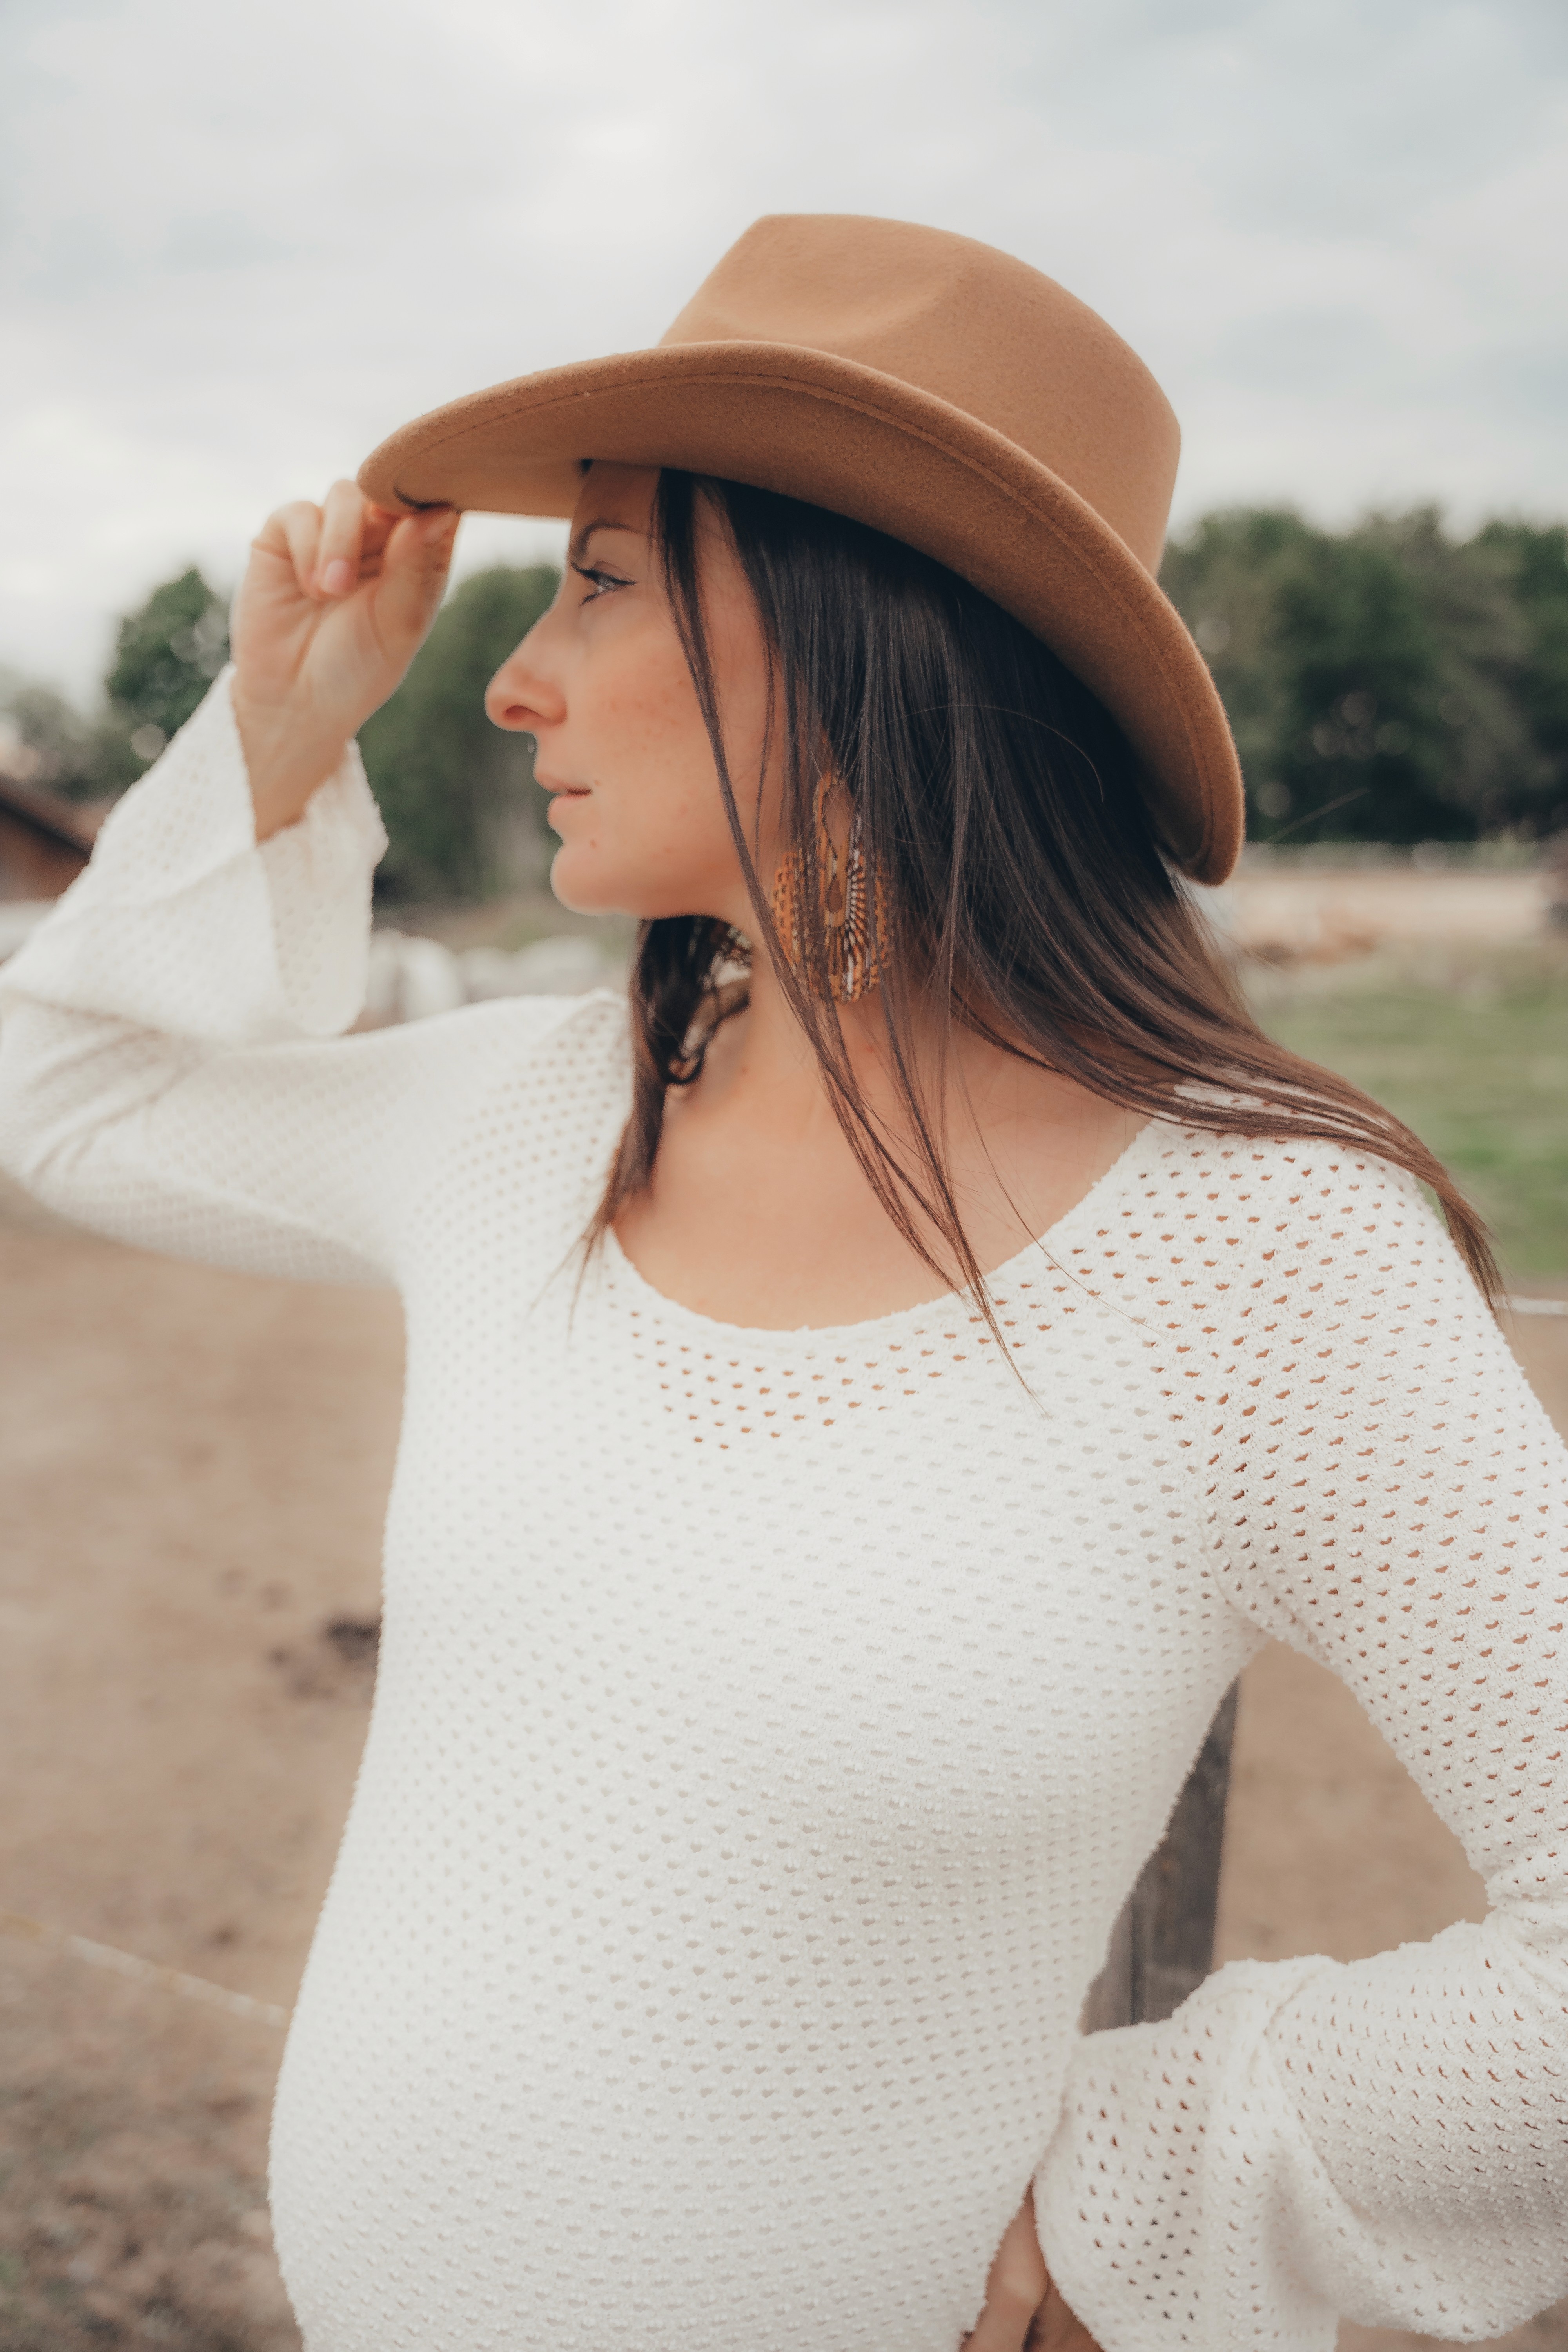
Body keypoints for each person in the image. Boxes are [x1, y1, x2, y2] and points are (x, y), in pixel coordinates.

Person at [1, 215, 1564, 2352]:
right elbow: (60, 1099)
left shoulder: (1261, 1259)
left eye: (606, 574)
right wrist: (274, 726)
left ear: (860, 633)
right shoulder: (539, 1122)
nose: (516, 668)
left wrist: (1167, 2180)